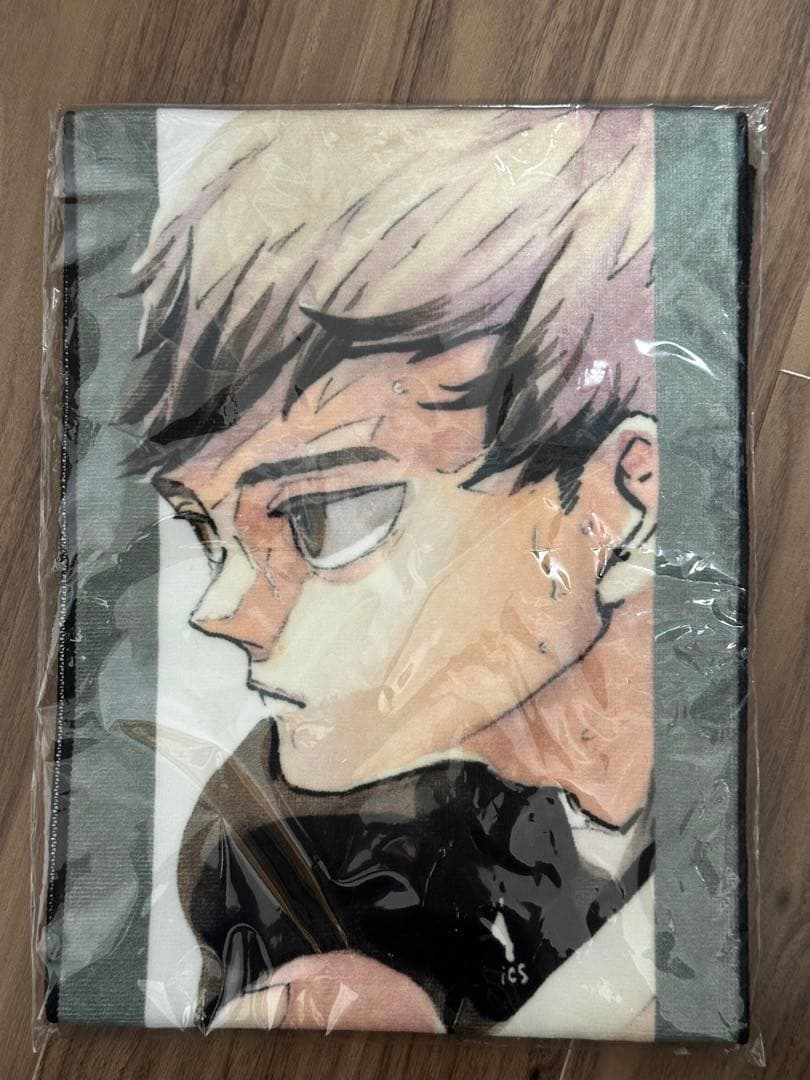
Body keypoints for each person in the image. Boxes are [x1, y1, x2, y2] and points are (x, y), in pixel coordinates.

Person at [124, 107, 657, 1033]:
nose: (220, 610)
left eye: (325, 515)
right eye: (208, 534)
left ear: (621, 496)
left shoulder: (733, 778)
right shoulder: (275, 864)